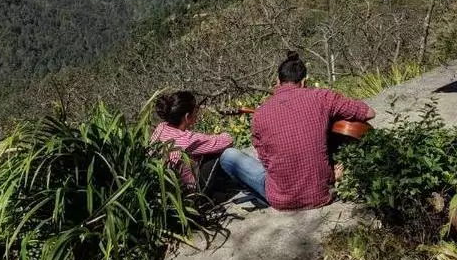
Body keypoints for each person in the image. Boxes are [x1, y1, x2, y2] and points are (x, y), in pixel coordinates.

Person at [251, 52, 376, 210]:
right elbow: (369, 113)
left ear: (277, 81)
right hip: (320, 195)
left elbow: (266, 161)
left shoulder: (259, 113)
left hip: (281, 200)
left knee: (230, 158)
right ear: (304, 82)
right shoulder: (322, 97)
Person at [151, 91, 266, 200]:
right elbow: (227, 141)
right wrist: (221, 135)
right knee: (228, 154)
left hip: (166, 191)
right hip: (190, 194)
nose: (197, 113)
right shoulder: (188, 140)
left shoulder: (161, 128)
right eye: (195, 110)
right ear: (187, 117)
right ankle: (265, 184)